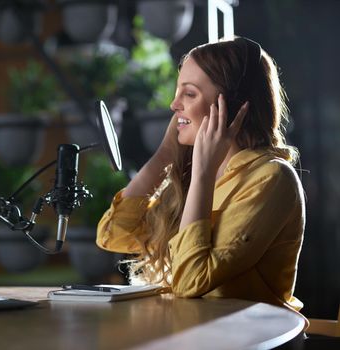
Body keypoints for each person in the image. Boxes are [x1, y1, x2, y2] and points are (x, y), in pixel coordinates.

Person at [96, 37, 306, 314]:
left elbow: (191, 282)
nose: (174, 104)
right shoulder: (195, 172)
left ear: (230, 106)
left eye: (189, 94)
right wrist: (165, 153)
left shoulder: (271, 178)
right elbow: (114, 236)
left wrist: (203, 176)